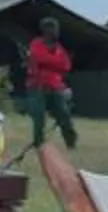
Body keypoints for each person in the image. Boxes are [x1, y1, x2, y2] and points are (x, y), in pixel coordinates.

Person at [24, 17, 78, 150]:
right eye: (52, 28)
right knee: (39, 118)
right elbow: (38, 57)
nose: (56, 32)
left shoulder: (59, 48)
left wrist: (46, 63)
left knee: (64, 116)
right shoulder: (36, 43)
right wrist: (54, 63)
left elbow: (66, 66)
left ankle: (71, 143)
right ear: (45, 30)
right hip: (37, 87)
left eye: (56, 28)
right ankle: (39, 143)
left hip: (55, 87)